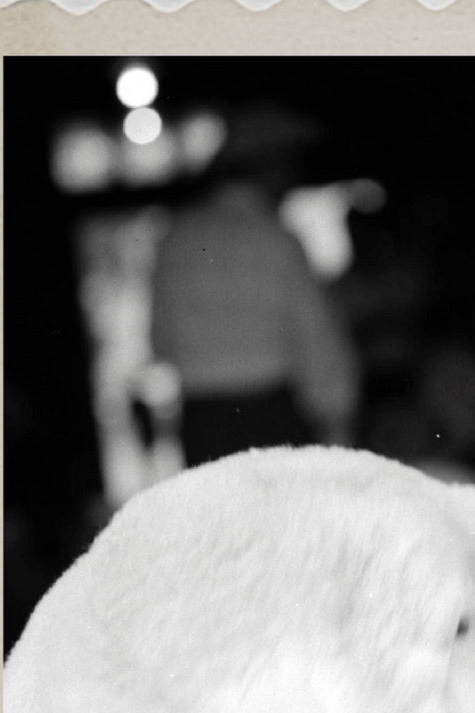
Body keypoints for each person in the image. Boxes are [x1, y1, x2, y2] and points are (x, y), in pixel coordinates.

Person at [150, 104, 360, 466]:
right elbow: (316, 340)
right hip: (270, 415)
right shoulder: (275, 238)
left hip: (203, 421)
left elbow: (161, 342)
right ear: (269, 168)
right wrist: (338, 421)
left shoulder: (175, 238)